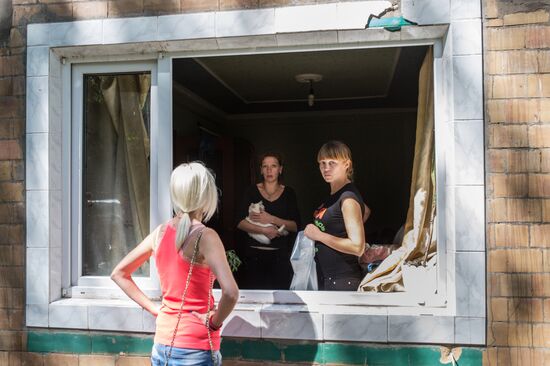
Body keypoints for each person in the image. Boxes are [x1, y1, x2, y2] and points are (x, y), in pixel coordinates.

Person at [111, 162, 239, 366]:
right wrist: (214, 324)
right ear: (206, 195)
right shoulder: (206, 236)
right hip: (197, 348)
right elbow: (231, 293)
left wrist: (155, 310)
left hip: (161, 346)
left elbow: (119, 273)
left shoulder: (160, 232)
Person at [304, 141, 367, 291]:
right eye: (322, 163)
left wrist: (318, 235)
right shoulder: (333, 196)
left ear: (346, 164)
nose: (326, 168)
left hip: (342, 280)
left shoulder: (348, 198)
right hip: (327, 278)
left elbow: (358, 247)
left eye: (332, 163)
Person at [236, 152, 301, 290]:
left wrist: (271, 219)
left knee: (281, 301)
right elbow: (239, 222)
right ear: (261, 169)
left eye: (273, 166)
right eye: (265, 166)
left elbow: (295, 226)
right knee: (255, 300)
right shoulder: (251, 191)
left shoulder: (289, 193)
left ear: (280, 169)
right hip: (254, 257)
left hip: (280, 258)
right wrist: (264, 230)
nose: (269, 170)